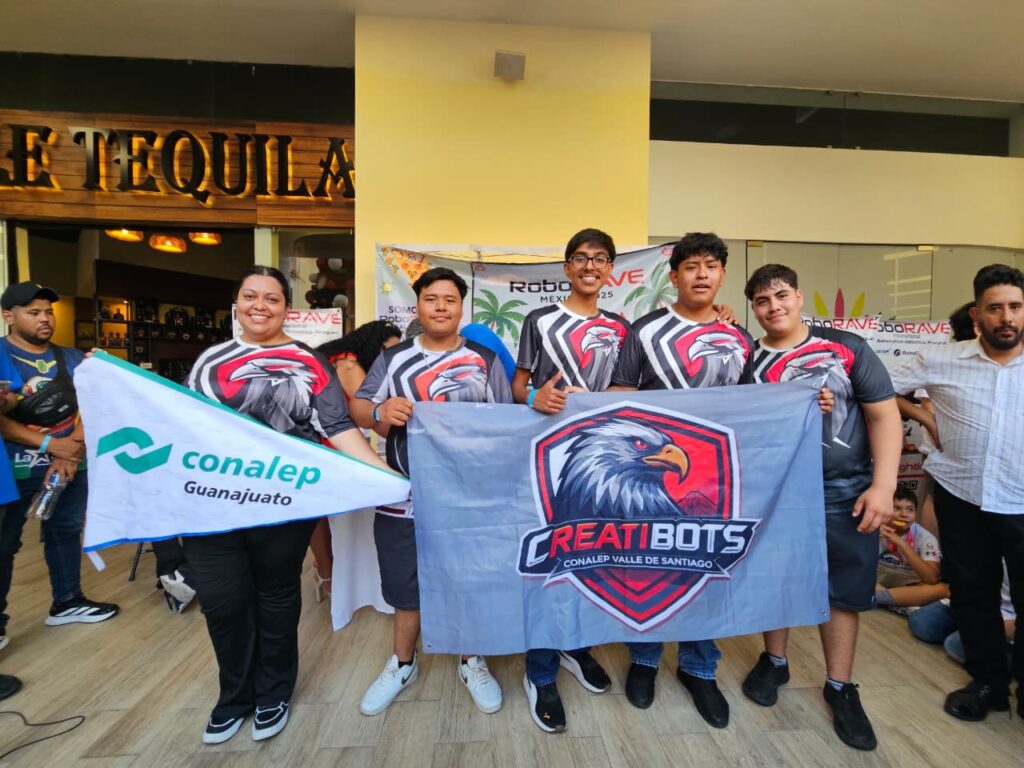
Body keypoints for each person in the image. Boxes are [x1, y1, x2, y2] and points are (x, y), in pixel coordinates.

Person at [184, 266, 398, 745]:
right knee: (223, 602)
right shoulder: (210, 361)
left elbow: (337, 427)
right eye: (250, 296)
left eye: (272, 298)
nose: (260, 306)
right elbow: (184, 423)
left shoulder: (309, 362)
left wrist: (386, 478)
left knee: (276, 597)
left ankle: (273, 693)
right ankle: (233, 697)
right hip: (212, 505)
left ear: (286, 308)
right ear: (236, 304)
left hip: (281, 503)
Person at [739, 264, 901, 752]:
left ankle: (839, 685)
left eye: (781, 296)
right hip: (778, 488)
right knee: (776, 578)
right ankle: (775, 661)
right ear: (754, 309)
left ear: (799, 296)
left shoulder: (846, 348)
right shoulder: (748, 359)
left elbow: (884, 415)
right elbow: (741, 422)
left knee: (843, 589)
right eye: (762, 301)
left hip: (844, 488)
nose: (774, 307)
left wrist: (884, 486)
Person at [350, 267, 510, 718]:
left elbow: (507, 421)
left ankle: (471, 660)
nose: (441, 307)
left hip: (468, 495)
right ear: (417, 304)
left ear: (462, 307)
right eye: (431, 298)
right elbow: (359, 407)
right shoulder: (393, 358)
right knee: (406, 584)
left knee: (470, 578)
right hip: (407, 493)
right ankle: (402, 664)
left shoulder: (484, 359)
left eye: (450, 299)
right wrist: (380, 410)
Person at [609, 232, 753, 726]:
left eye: (711, 266)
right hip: (657, 473)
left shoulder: (739, 336)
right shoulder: (644, 331)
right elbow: (619, 394)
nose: (702, 274)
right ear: (674, 276)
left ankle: (699, 667)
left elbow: (755, 405)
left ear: (722, 275)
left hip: (717, 474)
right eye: (691, 266)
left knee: (706, 564)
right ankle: (644, 659)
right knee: (649, 562)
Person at [890, 263, 1024, 723]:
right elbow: (876, 386)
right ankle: (987, 684)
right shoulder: (941, 360)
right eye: (995, 308)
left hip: (1020, 499)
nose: (1006, 317)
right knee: (972, 594)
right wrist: (922, 415)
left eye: (1015, 307)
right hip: (962, 495)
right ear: (977, 314)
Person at [512, 227, 633, 733]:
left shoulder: (622, 327)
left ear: (610, 270)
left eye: (600, 259)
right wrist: (533, 397)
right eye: (581, 258)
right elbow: (517, 387)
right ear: (566, 267)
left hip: (597, 462)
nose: (590, 266)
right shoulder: (539, 320)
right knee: (549, 560)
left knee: (590, 557)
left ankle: (574, 645)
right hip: (545, 459)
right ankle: (539, 670)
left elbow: (628, 390)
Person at [0, 282, 119, 633]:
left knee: (65, 530)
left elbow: (98, 403)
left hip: (71, 463)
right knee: (5, 542)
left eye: (48, 312)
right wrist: (53, 446)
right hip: (14, 467)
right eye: (33, 312)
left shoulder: (73, 358)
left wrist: (72, 448)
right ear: (9, 316)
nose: (45, 319)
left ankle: (67, 601)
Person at [310, 320, 402, 600]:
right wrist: (408, 441)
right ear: (373, 346)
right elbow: (369, 415)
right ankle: (329, 576)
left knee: (319, 514)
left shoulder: (338, 357)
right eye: (388, 351)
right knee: (324, 515)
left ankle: (325, 572)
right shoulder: (349, 364)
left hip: (320, 441)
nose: (391, 359)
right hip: (328, 444)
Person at [875, 485, 947, 612]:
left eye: (910, 510)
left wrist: (902, 544)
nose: (904, 515)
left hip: (910, 587)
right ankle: (896, 601)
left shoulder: (926, 538)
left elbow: (931, 578)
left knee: (940, 589)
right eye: (896, 508)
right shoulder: (874, 528)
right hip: (878, 583)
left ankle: (881, 598)